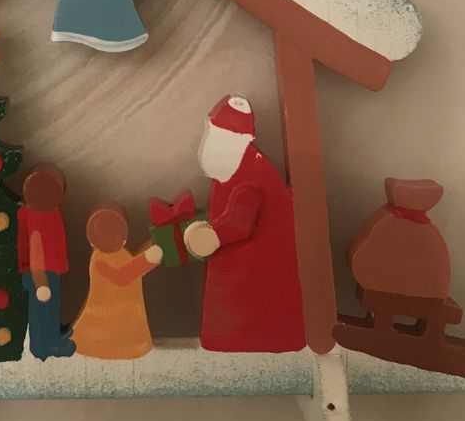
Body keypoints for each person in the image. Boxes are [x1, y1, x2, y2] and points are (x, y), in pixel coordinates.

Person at [183, 95, 305, 352]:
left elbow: (239, 220)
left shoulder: (250, 172)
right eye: (212, 133)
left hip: (256, 263)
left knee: (247, 312)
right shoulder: (229, 167)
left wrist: (211, 237)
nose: (210, 143)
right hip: (240, 261)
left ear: (240, 140)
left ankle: (243, 342)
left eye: (218, 136)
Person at [72, 203, 162, 360]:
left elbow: (130, 268)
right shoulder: (99, 260)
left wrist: (149, 254)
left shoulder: (120, 253)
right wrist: (147, 260)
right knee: (111, 336)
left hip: (124, 314)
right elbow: (122, 277)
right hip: (108, 317)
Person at [16, 164, 76, 360]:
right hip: (41, 273)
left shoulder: (43, 211)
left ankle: (53, 334)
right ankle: (45, 346)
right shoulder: (38, 216)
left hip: (48, 270)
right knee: (42, 310)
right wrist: (40, 281)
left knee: (50, 307)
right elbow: (35, 249)